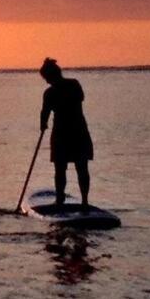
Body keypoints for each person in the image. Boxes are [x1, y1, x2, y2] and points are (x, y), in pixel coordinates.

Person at [39, 57, 94, 207]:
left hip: (65, 132)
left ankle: (61, 200)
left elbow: (45, 112)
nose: (46, 81)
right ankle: (83, 201)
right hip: (78, 130)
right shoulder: (73, 84)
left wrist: (43, 124)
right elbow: (45, 112)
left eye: (46, 78)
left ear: (51, 75)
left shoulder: (51, 92)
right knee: (80, 167)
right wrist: (43, 123)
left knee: (62, 168)